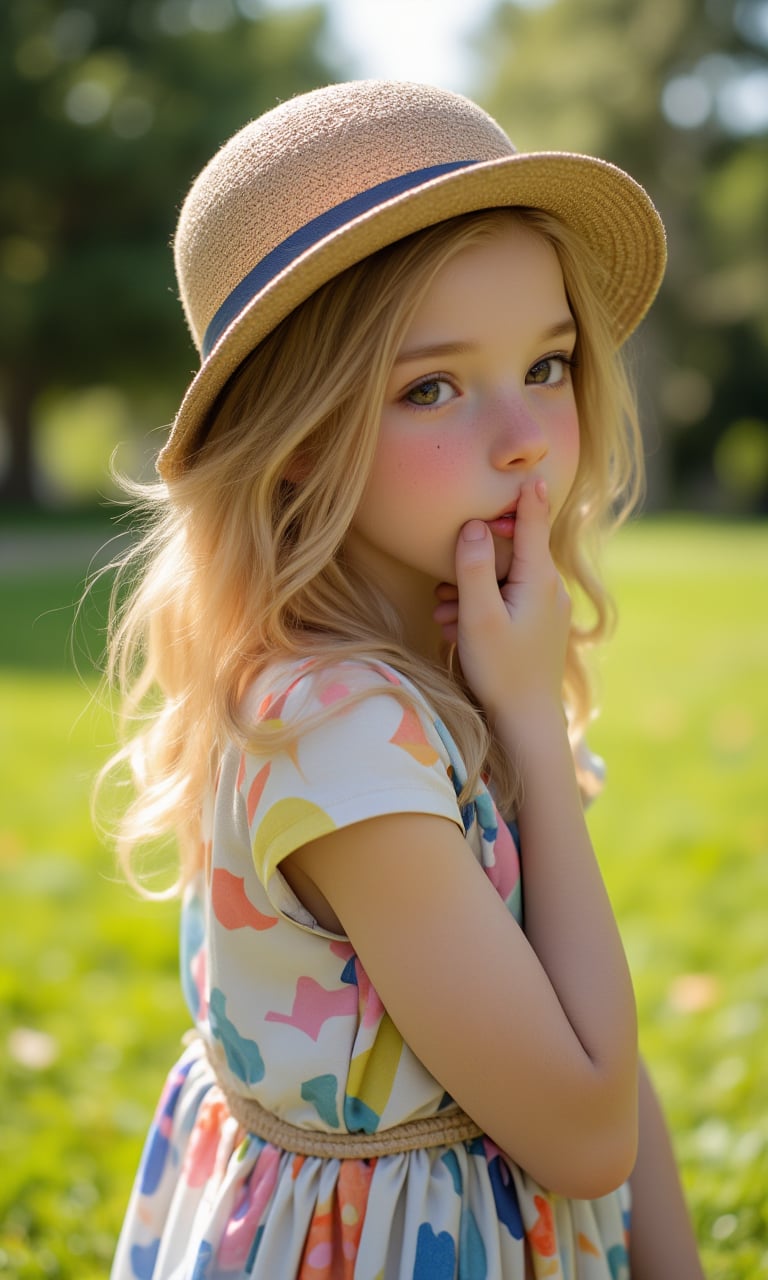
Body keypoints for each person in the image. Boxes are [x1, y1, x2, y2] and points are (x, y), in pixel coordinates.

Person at [103, 80, 704, 1279]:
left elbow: (592, 1038)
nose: (527, 433)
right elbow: (583, 1129)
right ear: (299, 438)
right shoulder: (337, 730)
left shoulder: (456, 652)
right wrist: (529, 723)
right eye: (432, 386)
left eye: (548, 362)